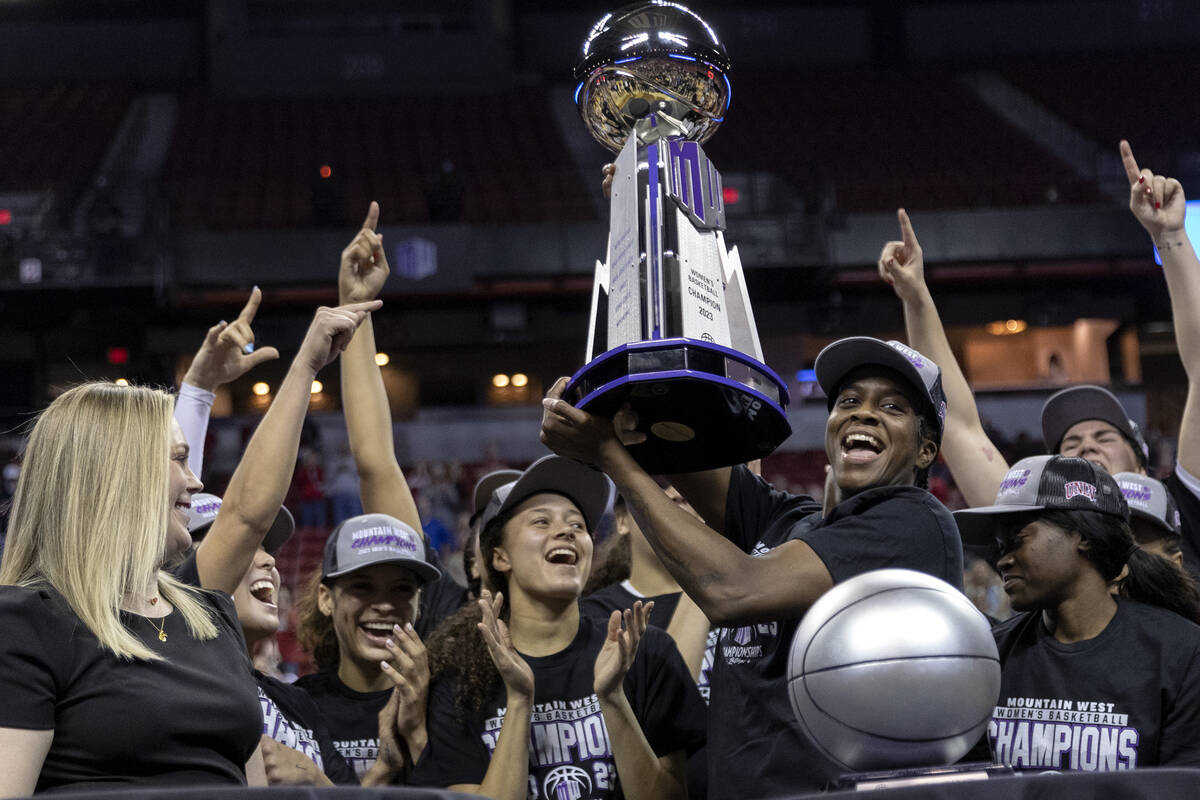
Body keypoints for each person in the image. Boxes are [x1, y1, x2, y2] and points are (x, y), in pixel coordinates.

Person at [540, 336, 963, 796]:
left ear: (925, 451)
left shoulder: (915, 522)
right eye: (848, 401)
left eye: (893, 407)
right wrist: (612, 406)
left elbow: (732, 591)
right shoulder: (789, 520)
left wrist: (608, 455)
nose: (863, 412)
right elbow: (674, 451)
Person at [878, 140, 1200, 573]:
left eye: (1105, 438)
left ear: (1143, 463)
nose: (1086, 444)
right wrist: (916, 297)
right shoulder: (1037, 528)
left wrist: (1171, 236)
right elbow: (956, 424)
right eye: (1071, 446)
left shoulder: (1181, 507)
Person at [0, 383, 264, 795]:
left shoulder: (215, 614)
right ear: (118, 476)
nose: (196, 482)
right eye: (179, 459)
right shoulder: (26, 622)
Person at [414, 455, 706, 800]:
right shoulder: (459, 679)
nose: (567, 530)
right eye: (541, 521)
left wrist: (613, 698)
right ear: (499, 557)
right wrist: (520, 700)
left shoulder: (645, 651)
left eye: (578, 525)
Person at [954, 455, 1200, 770]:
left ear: (1083, 535)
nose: (1003, 560)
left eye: (1016, 539)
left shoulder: (1181, 655)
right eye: (1001, 546)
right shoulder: (988, 656)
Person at [294, 513, 441, 781]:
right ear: (326, 599)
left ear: (419, 603)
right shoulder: (297, 708)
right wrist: (384, 769)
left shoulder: (446, 699)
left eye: (401, 589)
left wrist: (418, 734)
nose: (384, 605)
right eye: (362, 587)